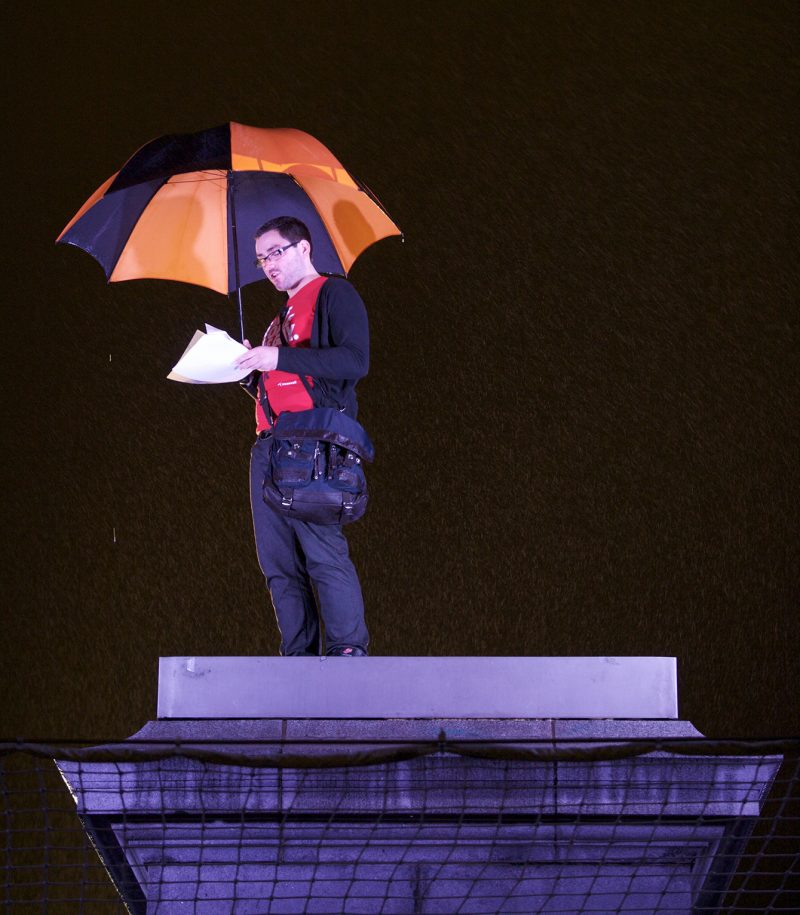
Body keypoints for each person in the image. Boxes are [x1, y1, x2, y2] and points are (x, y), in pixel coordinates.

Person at [235, 216, 370, 657]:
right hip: (270, 444)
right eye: (261, 259)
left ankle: (348, 653)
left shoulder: (334, 293)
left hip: (314, 439)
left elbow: (353, 361)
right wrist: (251, 371)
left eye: (275, 252)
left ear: (304, 248)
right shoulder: (279, 317)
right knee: (278, 564)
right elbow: (282, 377)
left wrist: (278, 356)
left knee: (322, 551)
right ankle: (298, 660)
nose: (268, 265)